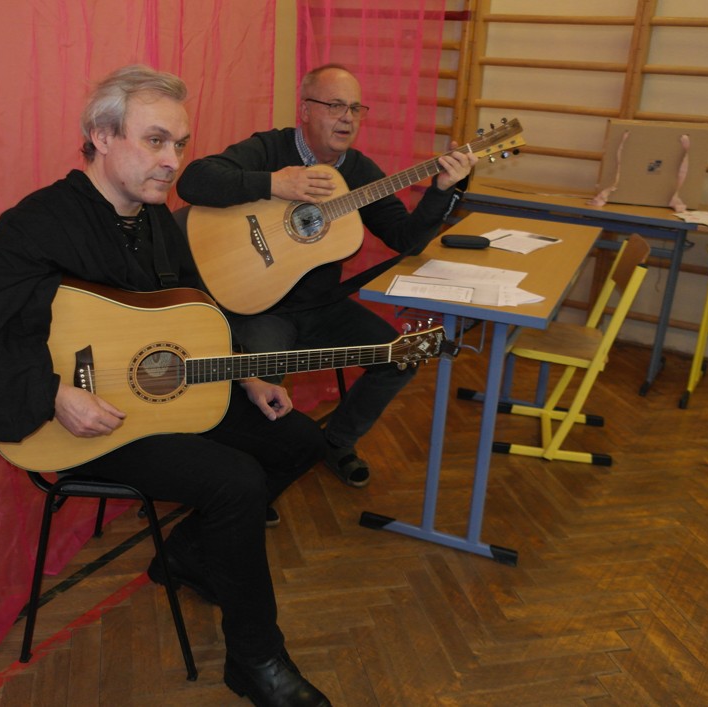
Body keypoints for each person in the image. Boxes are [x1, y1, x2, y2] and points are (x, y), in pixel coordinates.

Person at [0, 65, 331, 707]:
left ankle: (190, 554)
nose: (172, 161)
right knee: (236, 480)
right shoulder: (44, 221)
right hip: (77, 423)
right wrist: (53, 393)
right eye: (155, 141)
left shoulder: (153, 219)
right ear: (101, 136)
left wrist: (243, 373)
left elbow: (192, 311)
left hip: (155, 398)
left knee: (299, 441)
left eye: (179, 144)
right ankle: (256, 658)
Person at [176, 63, 480, 489]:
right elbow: (194, 181)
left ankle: (335, 442)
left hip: (321, 306)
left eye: (355, 108)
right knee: (258, 381)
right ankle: (245, 482)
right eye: (335, 105)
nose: (347, 118)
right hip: (259, 308)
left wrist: (442, 189)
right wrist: (274, 183)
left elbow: (405, 238)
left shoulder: (359, 172)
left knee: (401, 356)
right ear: (305, 109)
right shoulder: (270, 149)